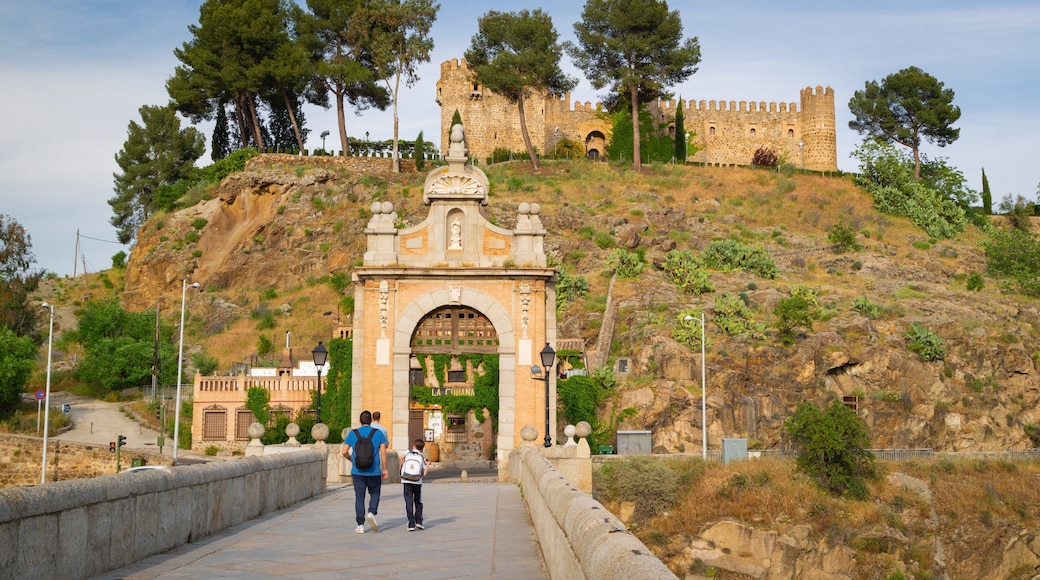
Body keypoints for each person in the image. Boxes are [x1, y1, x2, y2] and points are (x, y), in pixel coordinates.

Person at [342, 410, 389, 534]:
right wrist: (385, 469)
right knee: (375, 493)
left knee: (359, 497)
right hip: (374, 471)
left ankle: (360, 525)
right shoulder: (378, 433)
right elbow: (383, 453)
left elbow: (344, 452)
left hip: (357, 471)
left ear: (360, 420)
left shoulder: (353, 433)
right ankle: (371, 512)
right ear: (371, 421)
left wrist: (352, 460)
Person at [400, 439, 429, 531]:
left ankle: (411, 523)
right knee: (418, 501)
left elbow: (401, 457)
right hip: (417, 481)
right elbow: (424, 473)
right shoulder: (421, 457)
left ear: (414, 446)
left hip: (406, 480)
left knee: (408, 502)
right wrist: (427, 465)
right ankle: (419, 521)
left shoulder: (407, 453)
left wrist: (401, 467)